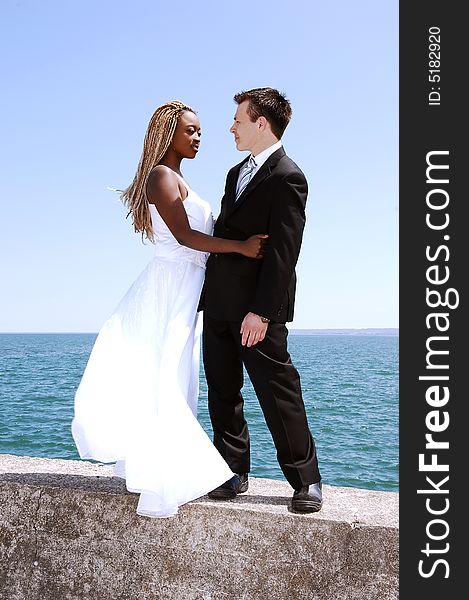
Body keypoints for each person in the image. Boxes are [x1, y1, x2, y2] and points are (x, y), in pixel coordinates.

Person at [71, 100, 266, 518]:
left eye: (200, 132)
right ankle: (172, 472)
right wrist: (241, 247)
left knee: (176, 377)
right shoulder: (161, 176)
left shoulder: (177, 177)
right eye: (190, 131)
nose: (198, 138)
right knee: (167, 377)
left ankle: (168, 465)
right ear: (168, 133)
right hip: (171, 284)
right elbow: (184, 237)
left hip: (189, 285)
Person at [199, 88, 323, 513]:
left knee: (277, 391)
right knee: (223, 391)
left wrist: (263, 312)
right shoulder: (235, 174)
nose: (231, 126)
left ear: (261, 123)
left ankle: (306, 481)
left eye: (238, 119)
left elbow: (285, 251)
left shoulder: (289, 176)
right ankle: (233, 472)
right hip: (218, 303)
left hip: (256, 311)